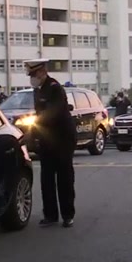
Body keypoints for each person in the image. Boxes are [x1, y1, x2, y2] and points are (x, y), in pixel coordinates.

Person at [24, 58, 77, 228]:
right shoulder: (37, 90)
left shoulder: (55, 88)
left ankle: (68, 214)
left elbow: (53, 113)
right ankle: (50, 215)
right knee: (46, 179)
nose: (31, 78)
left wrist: (35, 124)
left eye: (33, 74)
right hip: (47, 140)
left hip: (62, 139)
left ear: (42, 72)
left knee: (64, 178)